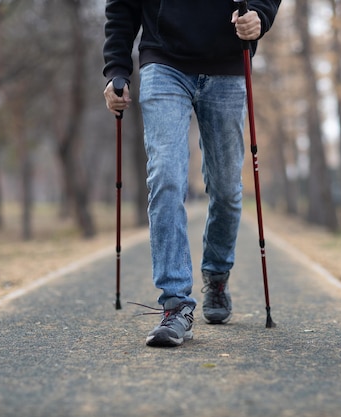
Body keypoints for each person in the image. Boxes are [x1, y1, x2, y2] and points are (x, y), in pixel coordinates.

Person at [102, 0, 281, 347]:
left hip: (228, 66)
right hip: (163, 62)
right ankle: (175, 303)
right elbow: (121, 8)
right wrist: (116, 70)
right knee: (166, 177)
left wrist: (260, 13)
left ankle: (216, 273)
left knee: (227, 188)